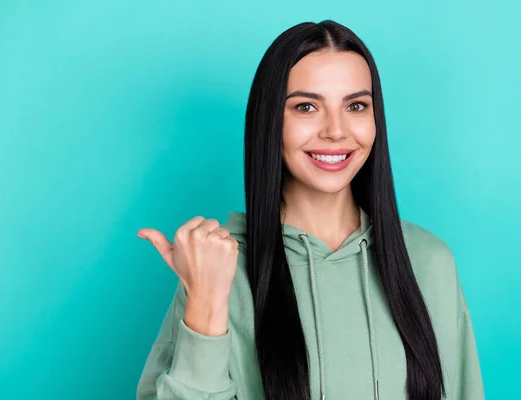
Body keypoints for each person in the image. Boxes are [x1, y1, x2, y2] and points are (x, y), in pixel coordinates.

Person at [135, 20, 485, 400]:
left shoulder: (428, 261)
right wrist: (204, 304)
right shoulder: (219, 266)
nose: (336, 130)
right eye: (306, 106)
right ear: (271, 121)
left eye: (355, 105)